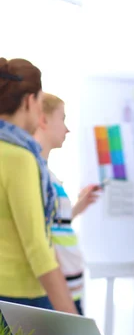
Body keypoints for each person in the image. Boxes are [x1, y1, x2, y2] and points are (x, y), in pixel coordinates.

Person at [0, 58, 77, 316]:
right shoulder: (19, 158)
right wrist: (74, 320)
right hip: (20, 301)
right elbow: (38, 249)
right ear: (29, 102)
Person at [34, 93, 100, 315]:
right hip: (57, 296)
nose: (67, 129)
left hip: (70, 291)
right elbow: (40, 238)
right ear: (43, 120)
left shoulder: (49, 175)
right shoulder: (37, 173)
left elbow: (53, 224)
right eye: (62, 119)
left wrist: (77, 208)